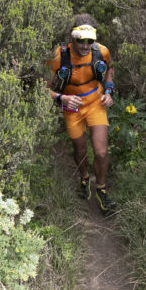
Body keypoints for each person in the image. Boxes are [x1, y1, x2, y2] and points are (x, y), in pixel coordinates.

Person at [47, 14, 116, 212]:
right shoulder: (59, 56)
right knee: (80, 149)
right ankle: (84, 179)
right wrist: (62, 98)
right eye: (81, 41)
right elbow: (43, 88)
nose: (85, 46)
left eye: (89, 41)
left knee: (101, 151)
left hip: (95, 102)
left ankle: (101, 189)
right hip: (71, 106)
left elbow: (110, 69)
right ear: (72, 39)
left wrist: (109, 91)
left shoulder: (101, 51)